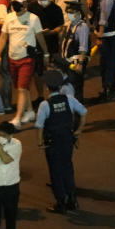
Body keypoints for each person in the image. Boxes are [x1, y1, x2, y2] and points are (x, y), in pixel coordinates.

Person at [35, 70, 87, 214]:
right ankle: (72, 199)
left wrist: (40, 143)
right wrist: (79, 131)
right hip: (67, 140)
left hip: (53, 143)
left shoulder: (45, 105)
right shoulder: (69, 99)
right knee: (68, 168)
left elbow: (40, 126)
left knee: (55, 172)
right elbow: (83, 113)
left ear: (47, 87)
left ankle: (61, 202)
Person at [0, 0, 48, 128]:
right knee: (21, 88)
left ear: (25, 4)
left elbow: (40, 37)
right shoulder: (8, 18)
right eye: (13, 4)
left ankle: (18, 118)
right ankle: (30, 111)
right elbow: (3, 37)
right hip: (12, 58)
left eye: (18, 4)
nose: (15, 7)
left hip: (27, 58)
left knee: (21, 88)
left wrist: (46, 54)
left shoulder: (33, 19)